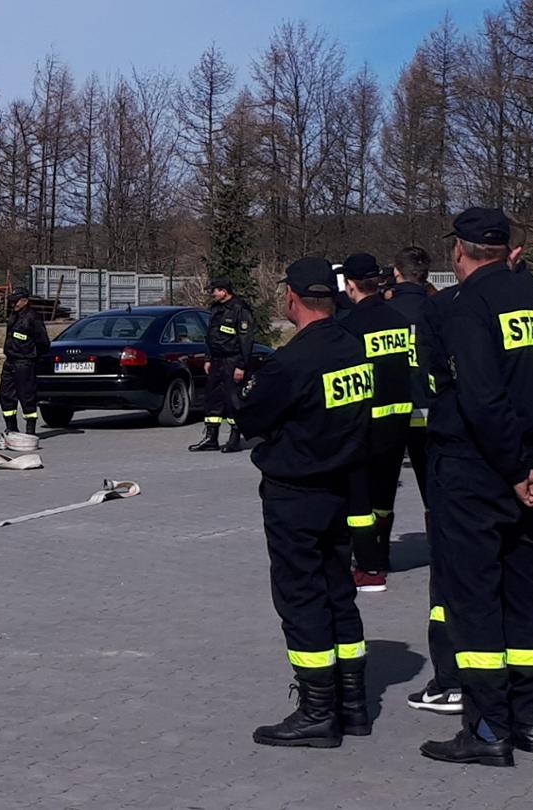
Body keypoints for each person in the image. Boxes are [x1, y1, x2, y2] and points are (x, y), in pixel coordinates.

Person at [416, 208, 533, 767]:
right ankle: (530, 719)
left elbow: (481, 399)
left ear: (459, 251)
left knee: (475, 602)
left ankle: (488, 729)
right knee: (525, 594)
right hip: (532, 470)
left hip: (479, 471)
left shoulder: (467, 306)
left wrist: (516, 470)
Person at [240, 257, 374, 749]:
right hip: (343, 486)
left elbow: (250, 417)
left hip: (296, 491)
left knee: (301, 598)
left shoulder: (292, 361)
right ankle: (353, 704)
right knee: (338, 589)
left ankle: (317, 711)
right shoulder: (353, 348)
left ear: (292, 298)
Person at [335, 253, 414, 594]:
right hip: (398, 420)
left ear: (350, 285)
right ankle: (381, 555)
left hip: (365, 424)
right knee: (384, 496)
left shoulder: (350, 326)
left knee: (360, 502)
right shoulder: (399, 320)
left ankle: (368, 567)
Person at [385, 247, 435, 505]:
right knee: (435, 495)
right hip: (433, 414)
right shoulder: (440, 310)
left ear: (396, 272)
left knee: (380, 497)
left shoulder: (384, 313)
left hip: (390, 416)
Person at [191, 277, 256, 453]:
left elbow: (246, 340)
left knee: (233, 400)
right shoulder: (216, 309)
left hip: (233, 360)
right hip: (217, 360)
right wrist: (208, 358)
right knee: (212, 398)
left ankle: (234, 439)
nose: (212, 294)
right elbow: (211, 336)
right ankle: (211, 438)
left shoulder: (240, 309)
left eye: (214, 290)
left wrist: (241, 365)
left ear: (224, 291)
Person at [0, 287, 51, 435]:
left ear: (25, 301)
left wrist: (31, 356)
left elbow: (44, 343)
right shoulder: (14, 315)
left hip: (24, 363)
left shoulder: (33, 317)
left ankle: (30, 431)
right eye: (12, 301)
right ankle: (11, 428)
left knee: (26, 396)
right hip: (10, 361)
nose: (13, 304)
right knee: (5, 394)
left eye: (16, 301)